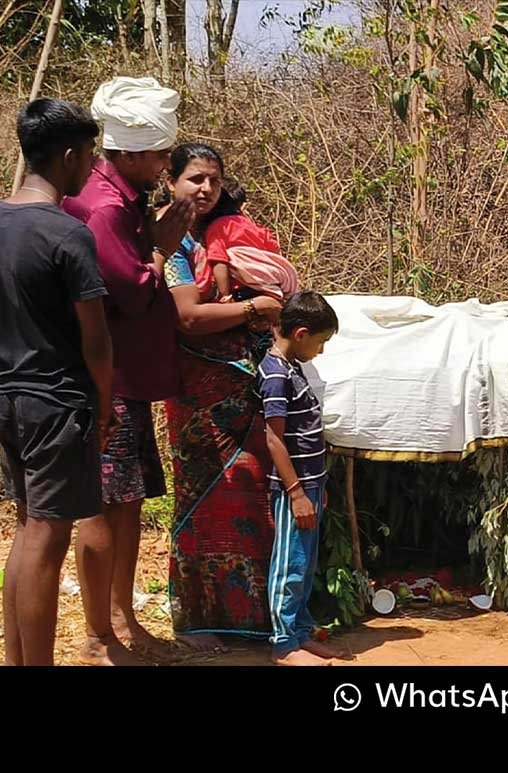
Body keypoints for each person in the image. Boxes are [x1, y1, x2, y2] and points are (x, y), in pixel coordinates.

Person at [62, 76, 192, 660]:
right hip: (106, 381)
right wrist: (163, 244)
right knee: (103, 503)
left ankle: (122, 619)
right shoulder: (105, 207)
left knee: (129, 502)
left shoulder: (127, 200)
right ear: (133, 153)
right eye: (162, 154)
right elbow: (132, 291)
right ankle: (98, 636)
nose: (167, 164)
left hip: (130, 379)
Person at [0, 99, 124, 665]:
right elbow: (95, 340)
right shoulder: (68, 234)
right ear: (70, 156)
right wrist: (103, 403)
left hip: (6, 399)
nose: (92, 168)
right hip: (56, 403)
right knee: (48, 539)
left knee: (28, 533)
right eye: (90, 155)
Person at [160, 143, 283, 651]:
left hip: (245, 387)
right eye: (193, 178)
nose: (204, 188)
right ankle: (198, 621)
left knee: (253, 493)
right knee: (203, 497)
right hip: (197, 395)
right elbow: (187, 316)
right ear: (171, 183)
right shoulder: (168, 245)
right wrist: (255, 306)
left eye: (213, 179)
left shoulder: (227, 232)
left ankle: (253, 618)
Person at [257, 292, 350, 665]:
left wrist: (316, 486)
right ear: (300, 333)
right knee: (289, 564)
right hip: (294, 488)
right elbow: (274, 438)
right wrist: (295, 492)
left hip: (312, 484)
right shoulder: (277, 374)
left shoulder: (293, 367)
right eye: (321, 342)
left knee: (306, 564)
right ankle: (283, 645)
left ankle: (300, 633)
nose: (321, 351)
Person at [200, 176, 299, 303]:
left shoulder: (217, 228)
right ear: (240, 205)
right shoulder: (255, 226)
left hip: (242, 293)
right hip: (270, 290)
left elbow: (219, 261)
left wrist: (225, 296)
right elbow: (274, 251)